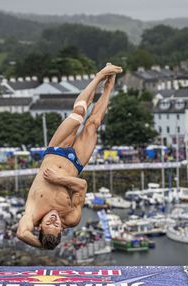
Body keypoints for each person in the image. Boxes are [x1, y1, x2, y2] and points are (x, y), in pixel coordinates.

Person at [16, 63, 123, 249]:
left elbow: (21, 233)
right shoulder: (71, 218)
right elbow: (82, 185)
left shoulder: (32, 214)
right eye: (56, 225)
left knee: (79, 113)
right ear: (62, 228)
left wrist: (43, 246)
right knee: (93, 123)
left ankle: (98, 76)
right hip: (76, 163)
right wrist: (59, 179)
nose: (53, 220)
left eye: (48, 224)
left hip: (55, 150)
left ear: (39, 227)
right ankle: (108, 86)